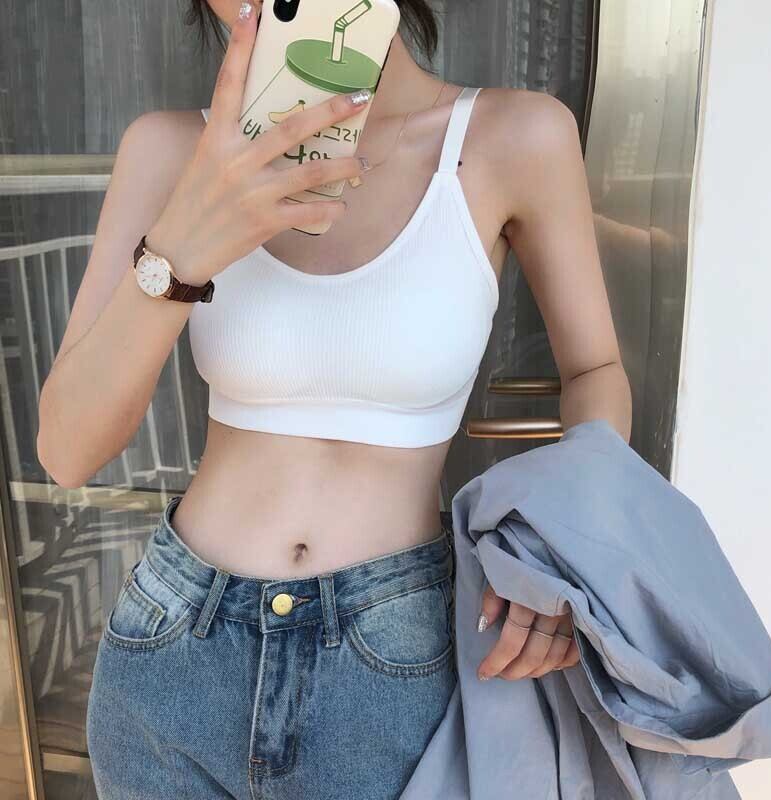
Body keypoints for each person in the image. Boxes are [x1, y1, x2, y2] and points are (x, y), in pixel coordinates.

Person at [37, 1, 632, 797]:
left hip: (391, 666)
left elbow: (595, 369)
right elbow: (67, 452)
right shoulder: (170, 149)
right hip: (173, 650)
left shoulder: (515, 137)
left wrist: (572, 549)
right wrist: (180, 247)